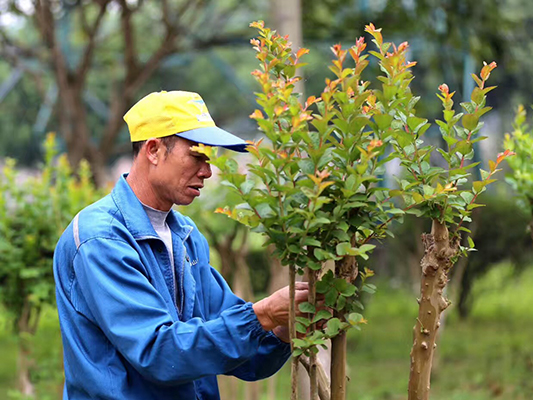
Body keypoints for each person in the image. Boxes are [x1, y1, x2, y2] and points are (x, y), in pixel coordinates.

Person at [53, 90, 309, 400]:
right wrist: (263, 315)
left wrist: (283, 326)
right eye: (197, 155)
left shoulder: (186, 236)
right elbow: (158, 353)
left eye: (208, 158)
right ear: (153, 150)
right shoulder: (101, 238)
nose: (207, 171)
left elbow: (243, 353)